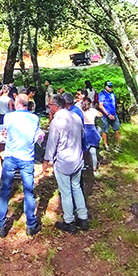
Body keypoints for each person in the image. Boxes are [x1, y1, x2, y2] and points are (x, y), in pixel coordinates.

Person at [0, 94, 45, 238]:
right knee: (29, 192)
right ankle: (31, 224)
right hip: (27, 157)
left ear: (17, 103)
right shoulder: (34, 118)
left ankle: (0, 224)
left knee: (5, 191)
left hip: (11, 156)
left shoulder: (8, 117)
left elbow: (5, 132)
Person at [44, 94, 89, 233]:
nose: (49, 107)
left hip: (63, 160)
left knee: (66, 192)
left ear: (56, 106)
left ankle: (69, 221)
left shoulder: (57, 121)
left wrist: (46, 159)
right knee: (77, 187)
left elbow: (52, 142)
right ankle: (83, 217)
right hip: (77, 158)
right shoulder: (75, 117)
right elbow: (82, 134)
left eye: (50, 105)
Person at [80, 97, 103, 174]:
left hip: (84, 131)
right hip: (92, 131)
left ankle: (83, 165)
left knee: (83, 150)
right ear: (90, 104)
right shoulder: (93, 111)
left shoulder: (80, 111)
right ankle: (94, 169)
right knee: (93, 151)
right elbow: (100, 114)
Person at [98, 81, 120, 150]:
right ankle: (106, 145)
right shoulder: (102, 94)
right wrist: (108, 114)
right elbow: (100, 106)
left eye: (111, 86)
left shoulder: (112, 93)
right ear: (105, 86)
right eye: (109, 86)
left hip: (114, 114)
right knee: (105, 131)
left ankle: (118, 145)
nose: (110, 88)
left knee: (117, 130)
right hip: (105, 116)